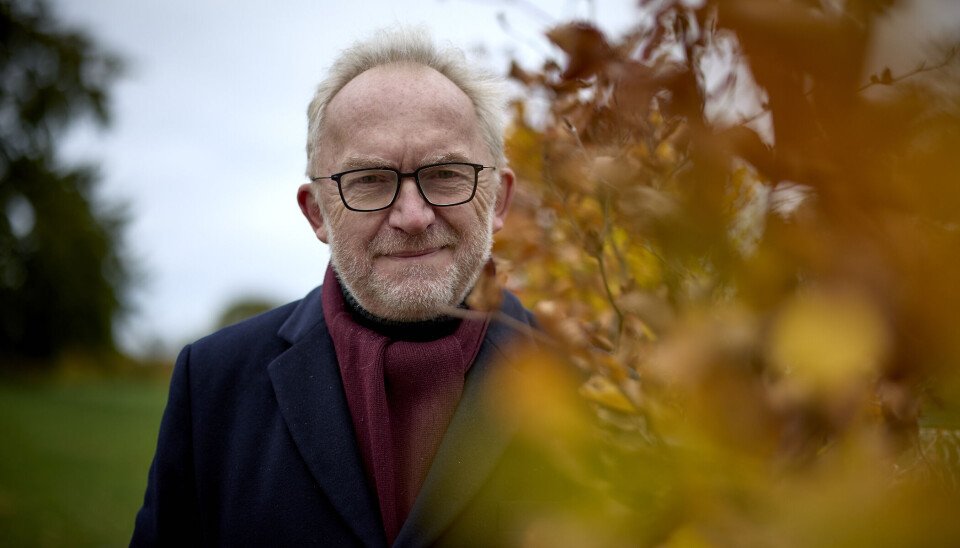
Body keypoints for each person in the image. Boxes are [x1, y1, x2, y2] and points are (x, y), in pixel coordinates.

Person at [131, 28, 574, 547]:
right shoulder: (211, 385)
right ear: (316, 212)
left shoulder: (591, 389)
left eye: (447, 173)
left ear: (498, 199)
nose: (413, 215)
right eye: (369, 180)